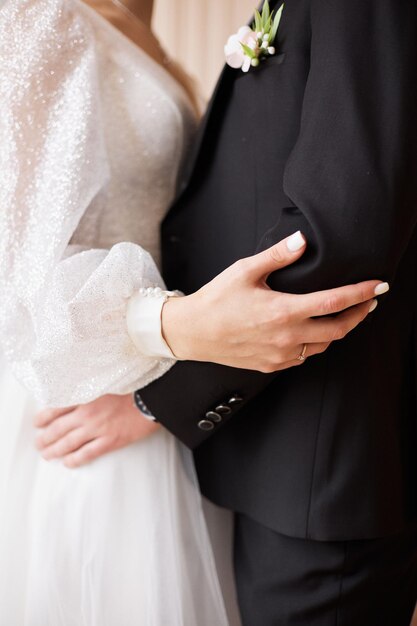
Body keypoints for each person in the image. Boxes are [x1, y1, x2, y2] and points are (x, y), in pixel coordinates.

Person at [0, 0, 385, 624]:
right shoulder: (35, 15)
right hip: (94, 388)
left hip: (186, 402)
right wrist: (171, 330)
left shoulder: (139, 25)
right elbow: (19, 271)